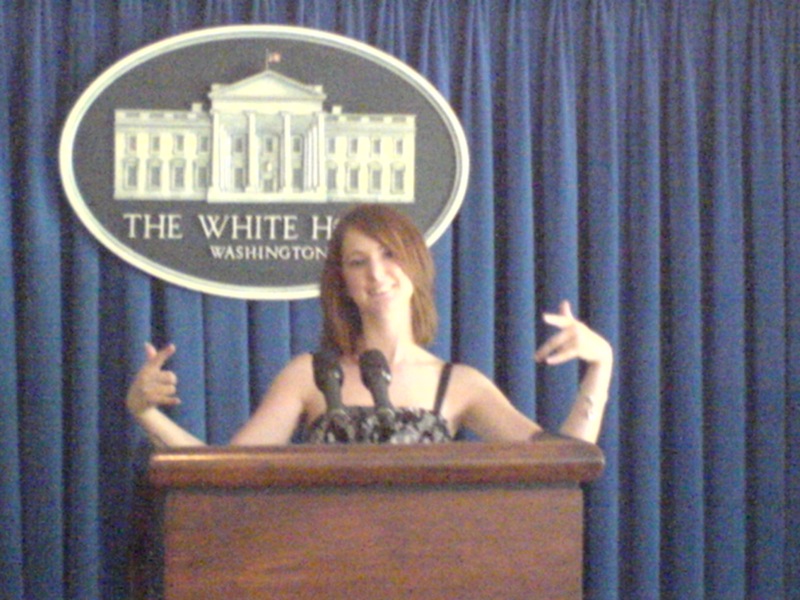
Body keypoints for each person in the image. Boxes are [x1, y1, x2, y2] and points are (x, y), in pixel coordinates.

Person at [126, 203, 613, 447]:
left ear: (414, 264)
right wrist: (145, 412)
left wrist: (600, 366)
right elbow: (224, 470)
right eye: (358, 262)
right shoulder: (309, 375)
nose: (376, 273)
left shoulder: (459, 385)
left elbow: (562, 462)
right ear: (344, 281)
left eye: (387, 255)